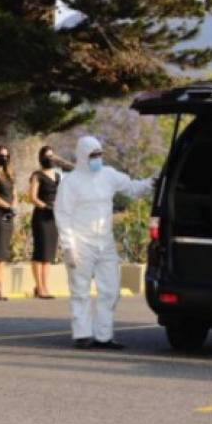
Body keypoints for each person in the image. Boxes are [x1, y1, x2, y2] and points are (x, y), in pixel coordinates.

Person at [55, 135, 155, 349]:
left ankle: (104, 336)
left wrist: (152, 182)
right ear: (82, 156)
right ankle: (82, 335)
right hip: (81, 244)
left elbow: (131, 187)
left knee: (110, 290)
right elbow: (62, 215)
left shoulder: (108, 175)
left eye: (99, 154)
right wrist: (68, 246)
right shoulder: (71, 183)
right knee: (80, 291)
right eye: (93, 155)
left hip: (105, 242)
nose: (97, 158)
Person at [29, 146, 73, 299]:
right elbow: (32, 197)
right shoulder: (37, 175)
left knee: (48, 254)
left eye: (52, 156)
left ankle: (45, 286)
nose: (50, 159)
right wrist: (46, 206)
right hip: (41, 216)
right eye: (47, 156)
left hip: (54, 218)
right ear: (41, 158)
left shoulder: (58, 175)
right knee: (39, 252)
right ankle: (39, 287)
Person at [0, 145, 17, 301]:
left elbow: (14, 194)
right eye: (1, 155)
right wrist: (8, 206)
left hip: (8, 216)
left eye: (6, 156)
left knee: (2, 256)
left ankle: (1, 289)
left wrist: (14, 206)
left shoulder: (9, 176)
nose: (4, 158)